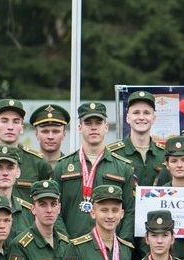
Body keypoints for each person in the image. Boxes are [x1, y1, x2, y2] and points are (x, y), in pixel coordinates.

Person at [57, 102, 136, 238]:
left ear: (106, 127)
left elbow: (130, 211)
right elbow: (54, 210)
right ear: (80, 128)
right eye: (88, 123)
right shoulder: (62, 166)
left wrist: (122, 244)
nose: (93, 127)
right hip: (72, 246)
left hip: (110, 247)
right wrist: (64, 243)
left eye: (98, 123)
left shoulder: (123, 168)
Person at [113, 90, 166, 177]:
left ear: (154, 118)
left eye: (146, 113)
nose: (141, 117)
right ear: (127, 118)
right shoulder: (113, 154)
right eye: (136, 112)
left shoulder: (165, 154)